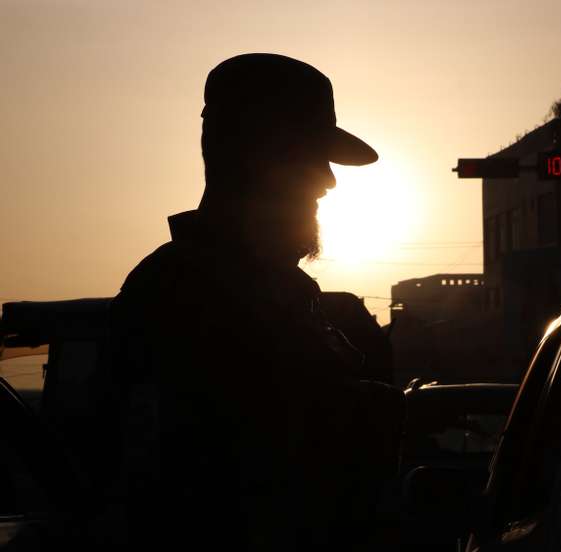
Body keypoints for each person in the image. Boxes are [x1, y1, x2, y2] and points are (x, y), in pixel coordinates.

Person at [98, 53, 404, 551]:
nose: (327, 182)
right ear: (251, 156)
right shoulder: (183, 294)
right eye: (308, 155)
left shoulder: (277, 290)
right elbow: (206, 483)